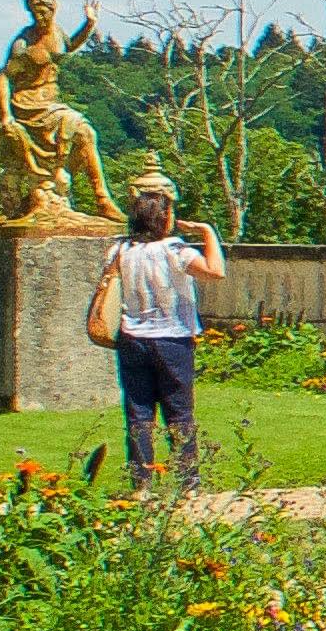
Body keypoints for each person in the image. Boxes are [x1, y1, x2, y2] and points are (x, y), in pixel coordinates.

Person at [82, 183, 227, 488]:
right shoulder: (176, 250)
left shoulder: (120, 249)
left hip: (132, 337)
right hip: (172, 337)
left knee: (138, 413)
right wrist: (207, 233)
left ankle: (141, 483)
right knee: (179, 412)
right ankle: (188, 481)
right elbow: (215, 271)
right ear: (163, 218)